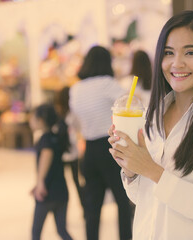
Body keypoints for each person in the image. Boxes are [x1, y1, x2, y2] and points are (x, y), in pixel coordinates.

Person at [108, 10, 193, 239]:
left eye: (190, 52)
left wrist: (151, 170)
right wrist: (131, 168)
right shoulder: (151, 119)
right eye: (168, 53)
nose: (177, 63)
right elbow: (144, 197)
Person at [69, 46, 132, 240]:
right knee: (123, 201)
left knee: (92, 206)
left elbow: (75, 121)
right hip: (110, 148)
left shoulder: (76, 88)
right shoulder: (107, 83)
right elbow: (130, 102)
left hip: (88, 150)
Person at [29, 104, 73, 240]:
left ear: (40, 120)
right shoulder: (57, 138)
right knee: (62, 231)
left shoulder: (45, 140)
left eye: (32, 117)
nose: (30, 120)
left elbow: (46, 158)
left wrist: (40, 183)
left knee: (36, 233)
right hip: (62, 192)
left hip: (47, 193)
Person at [54, 86, 85, 208]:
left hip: (60, 152)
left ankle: (60, 210)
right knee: (76, 181)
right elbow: (79, 129)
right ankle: (83, 208)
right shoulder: (73, 113)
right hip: (72, 152)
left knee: (60, 182)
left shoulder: (57, 114)